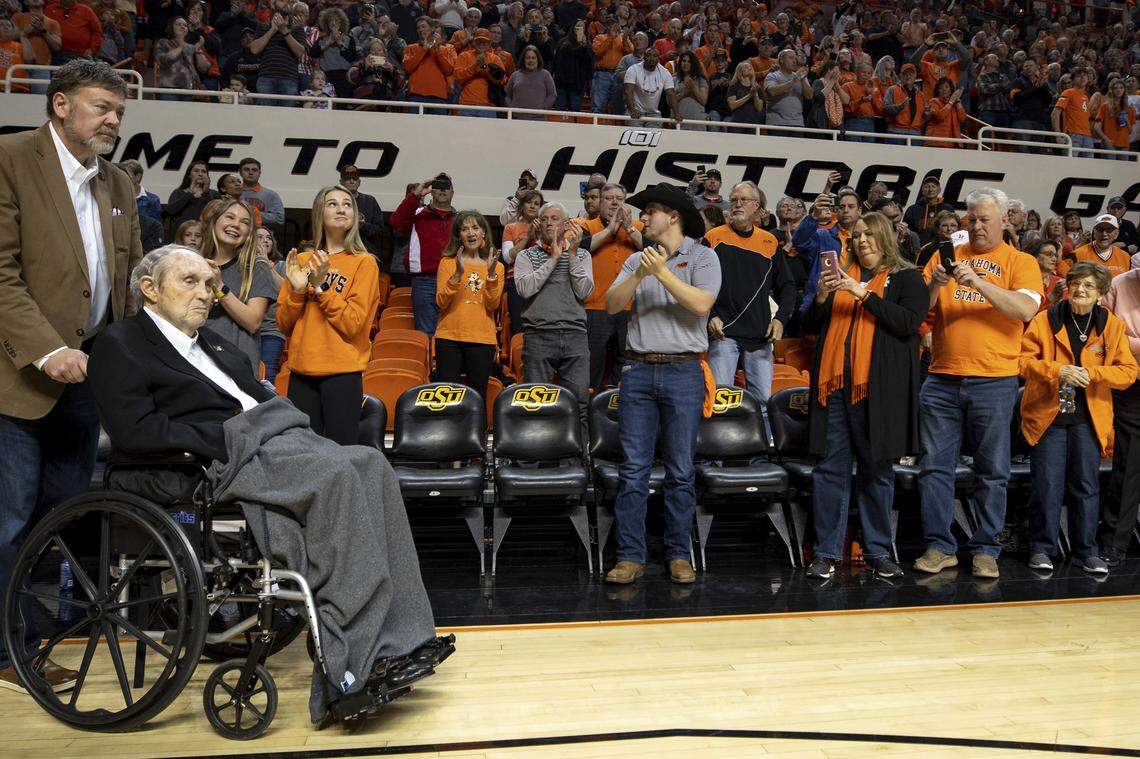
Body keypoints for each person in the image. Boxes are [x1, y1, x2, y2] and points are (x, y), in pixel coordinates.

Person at [87, 245, 450, 727]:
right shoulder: (121, 343)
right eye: (189, 282)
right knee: (338, 475)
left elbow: (262, 398)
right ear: (150, 290)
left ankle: (405, 638)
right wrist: (224, 438)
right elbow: (135, 431)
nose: (205, 294)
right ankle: (352, 668)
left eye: (208, 283)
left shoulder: (214, 344)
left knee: (371, 463)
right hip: (214, 457)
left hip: (274, 437)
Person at [0, 59, 141, 693]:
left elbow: (127, 283)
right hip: (18, 379)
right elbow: (1, 277)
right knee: (7, 522)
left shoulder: (118, 184)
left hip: (86, 383)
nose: (113, 119)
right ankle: (6, 656)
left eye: (118, 110)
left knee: (54, 522)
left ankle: (31, 643)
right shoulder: (9, 159)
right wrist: (46, 348)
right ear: (60, 105)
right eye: (100, 107)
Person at [916, 188, 1042, 580]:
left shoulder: (1020, 262)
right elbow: (915, 311)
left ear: (1005, 220)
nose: (977, 226)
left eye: (985, 219)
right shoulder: (944, 255)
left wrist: (978, 281)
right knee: (934, 468)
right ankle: (940, 545)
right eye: (972, 219)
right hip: (941, 376)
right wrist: (936, 284)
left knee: (992, 470)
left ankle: (986, 548)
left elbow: (1024, 309)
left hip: (994, 379)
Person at [602, 184, 721, 586]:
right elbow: (613, 305)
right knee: (633, 470)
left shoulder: (704, 257)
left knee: (681, 471)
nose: (644, 217)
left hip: (684, 373)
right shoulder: (637, 258)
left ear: (673, 216)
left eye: (650, 210)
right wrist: (640, 272)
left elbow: (701, 305)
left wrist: (662, 273)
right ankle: (630, 556)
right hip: (637, 371)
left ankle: (678, 554)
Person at [803, 212, 927, 580]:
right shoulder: (840, 276)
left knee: (877, 471)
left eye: (869, 234)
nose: (862, 240)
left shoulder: (907, 278)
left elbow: (907, 323)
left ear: (885, 237)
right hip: (836, 389)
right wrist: (824, 295)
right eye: (856, 234)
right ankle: (826, 552)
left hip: (878, 391)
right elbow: (809, 325)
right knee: (830, 471)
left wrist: (862, 293)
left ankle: (877, 552)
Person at [1020, 262, 1137, 575]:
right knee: (1047, 484)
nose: (1080, 290)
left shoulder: (1110, 324)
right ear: (1067, 287)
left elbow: (1128, 372)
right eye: (1075, 284)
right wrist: (1058, 370)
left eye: (1088, 286)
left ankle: (1086, 551)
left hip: (1089, 417)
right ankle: (1042, 548)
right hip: (1048, 415)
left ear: (1100, 294)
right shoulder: (1045, 318)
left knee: (1086, 485)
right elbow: (1022, 361)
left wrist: (1091, 373)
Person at [278, 186, 380, 443]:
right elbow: (284, 324)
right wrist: (298, 292)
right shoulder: (301, 260)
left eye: (347, 204)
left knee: (340, 454)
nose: (341, 208)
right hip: (301, 372)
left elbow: (353, 323)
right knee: (304, 456)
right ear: (318, 213)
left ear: (355, 216)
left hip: (342, 373)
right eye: (332, 203)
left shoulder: (364, 263)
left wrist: (322, 287)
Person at [704, 181, 794, 403]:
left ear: (756, 206)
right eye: (733, 200)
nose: (737, 204)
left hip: (760, 335)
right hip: (723, 333)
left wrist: (781, 319)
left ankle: (764, 440)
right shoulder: (714, 238)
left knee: (763, 402)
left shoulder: (769, 241)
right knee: (719, 401)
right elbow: (699, 282)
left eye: (743, 200)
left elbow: (788, 286)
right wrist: (711, 314)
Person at [514, 202, 593, 425]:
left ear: (567, 224)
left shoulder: (583, 255)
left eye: (555, 218)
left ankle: (577, 457)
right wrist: (553, 259)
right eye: (545, 218)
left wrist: (573, 255)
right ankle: (538, 458)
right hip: (538, 335)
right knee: (537, 404)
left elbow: (584, 290)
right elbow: (524, 289)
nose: (549, 222)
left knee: (579, 403)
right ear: (539, 224)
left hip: (575, 334)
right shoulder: (526, 256)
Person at [199, 197, 277, 372]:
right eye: (230, 217)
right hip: (196, 362)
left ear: (249, 233)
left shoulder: (256, 268)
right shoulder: (193, 264)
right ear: (214, 221)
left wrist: (219, 287)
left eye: (244, 222)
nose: (236, 225)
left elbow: (253, 322)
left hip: (236, 369)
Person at [578, 182, 643, 391]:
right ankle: (588, 412)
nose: (614, 202)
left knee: (626, 363)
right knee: (592, 363)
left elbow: (652, 248)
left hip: (630, 307)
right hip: (596, 307)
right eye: (609, 198)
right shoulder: (587, 225)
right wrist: (609, 230)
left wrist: (629, 228)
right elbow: (581, 248)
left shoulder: (638, 227)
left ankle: (616, 404)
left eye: (619, 199)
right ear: (599, 202)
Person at [433, 211, 503, 400]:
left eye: (475, 228)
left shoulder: (497, 267)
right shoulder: (447, 263)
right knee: (446, 397)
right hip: (448, 338)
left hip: (482, 339)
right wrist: (457, 275)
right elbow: (441, 302)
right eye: (464, 229)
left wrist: (490, 276)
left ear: (483, 234)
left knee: (477, 396)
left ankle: (476, 430)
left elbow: (492, 304)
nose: (470, 233)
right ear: (458, 236)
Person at [1102, 261, 1140, 566]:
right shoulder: (1120, 283)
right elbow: (1106, 333)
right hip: (1132, 382)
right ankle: (1115, 541)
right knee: (1128, 467)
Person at [389, 172, 457, 335]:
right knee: (426, 334)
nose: (442, 191)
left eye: (446, 187)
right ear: (431, 191)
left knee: (451, 332)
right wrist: (416, 194)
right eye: (438, 186)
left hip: (453, 280)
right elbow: (396, 223)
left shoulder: (460, 219)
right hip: (424, 281)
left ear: (452, 193)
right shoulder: (418, 213)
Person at [794, 187, 861, 312]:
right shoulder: (822, 236)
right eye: (842, 207)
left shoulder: (866, 240)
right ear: (836, 210)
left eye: (851, 206)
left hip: (852, 302)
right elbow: (799, 242)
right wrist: (814, 216)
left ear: (860, 210)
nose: (846, 210)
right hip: (820, 303)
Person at [249, 0, 307, 104]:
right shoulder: (263, 27)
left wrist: (284, 31)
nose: (287, 2)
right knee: (264, 116)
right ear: (272, 4)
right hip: (266, 78)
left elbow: (299, 52)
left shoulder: (297, 28)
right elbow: (254, 50)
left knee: (286, 117)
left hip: (288, 79)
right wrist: (272, 31)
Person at [255, 227, 287, 383]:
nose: (265, 240)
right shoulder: (243, 265)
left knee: (267, 377)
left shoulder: (281, 265)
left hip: (272, 330)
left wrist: (266, 264)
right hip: (247, 329)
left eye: (268, 237)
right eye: (259, 237)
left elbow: (284, 291)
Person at [11, 0, 62, 94]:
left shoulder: (52, 23)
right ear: (26, 2)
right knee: (15, 102)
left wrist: (43, 30)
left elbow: (57, 46)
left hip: (41, 67)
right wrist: (27, 30)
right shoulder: (17, 17)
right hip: (18, 66)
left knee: (40, 102)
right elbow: (9, 36)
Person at [623, 45, 679, 127]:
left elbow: (671, 94)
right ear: (644, 57)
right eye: (648, 55)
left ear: (658, 59)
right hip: (635, 111)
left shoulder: (665, 72)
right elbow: (628, 92)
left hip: (654, 114)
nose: (651, 58)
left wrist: (676, 113)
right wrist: (632, 110)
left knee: (654, 136)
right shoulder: (633, 69)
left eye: (655, 56)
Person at [403, 17, 456, 105]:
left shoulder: (444, 49)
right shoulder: (410, 48)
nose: (420, 30)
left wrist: (436, 50)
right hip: (416, 94)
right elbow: (408, 68)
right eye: (418, 28)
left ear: (432, 29)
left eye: (423, 26)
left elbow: (449, 71)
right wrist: (424, 49)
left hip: (439, 95)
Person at [1061, 214, 1130, 279]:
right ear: (1094, 232)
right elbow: (1066, 279)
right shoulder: (1077, 255)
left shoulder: (1125, 257)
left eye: (1109, 230)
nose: (1104, 234)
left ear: (1116, 234)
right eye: (1100, 230)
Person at [154, 16, 207, 98]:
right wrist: (181, 45)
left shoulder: (190, 47)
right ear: (171, 27)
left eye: (185, 25)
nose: (182, 27)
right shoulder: (163, 42)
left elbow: (204, 68)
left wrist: (198, 50)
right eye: (179, 24)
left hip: (188, 90)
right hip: (168, 89)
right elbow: (163, 61)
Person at [338, 165, 384, 257]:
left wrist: (363, 225)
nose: (352, 181)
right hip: (341, 252)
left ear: (359, 182)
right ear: (341, 182)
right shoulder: (335, 202)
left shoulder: (370, 201)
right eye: (348, 179)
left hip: (366, 253)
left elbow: (380, 230)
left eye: (355, 178)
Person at [763, 48, 811, 132]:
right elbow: (772, 92)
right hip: (777, 123)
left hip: (797, 123)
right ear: (781, 60)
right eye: (791, 58)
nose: (794, 61)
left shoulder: (801, 76)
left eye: (795, 58)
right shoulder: (773, 75)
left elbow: (809, 96)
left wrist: (803, 79)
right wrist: (793, 81)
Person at [552, 19, 593, 115]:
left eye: (582, 27)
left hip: (577, 85)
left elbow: (589, 63)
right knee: (559, 113)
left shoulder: (587, 45)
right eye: (578, 26)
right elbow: (556, 61)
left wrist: (584, 46)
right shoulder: (563, 42)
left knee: (575, 114)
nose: (580, 28)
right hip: (561, 83)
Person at [1052, 68, 1094, 158]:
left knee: (1088, 168)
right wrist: (1058, 135)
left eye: (1084, 75)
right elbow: (1055, 114)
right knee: (1069, 167)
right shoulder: (1068, 92)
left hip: (1088, 136)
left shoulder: (1086, 97)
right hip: (1073, 135)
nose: (1082, 78)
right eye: (1079, 76)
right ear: (1073, 80)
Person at [167, 160, 220, 230]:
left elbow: (216, 214)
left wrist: (206, 193)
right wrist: (189, 194)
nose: (200, 174)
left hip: (206, 231)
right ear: (189, 175)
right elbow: (171, 211)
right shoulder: (178, 192)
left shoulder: (214, 194)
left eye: (204, 172)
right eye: (196, 171)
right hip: (182, 231)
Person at [903, 174, 955, 245]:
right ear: (922, 191)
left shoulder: (947, 208)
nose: (930, 189)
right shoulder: (912, 209)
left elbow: (954, 229)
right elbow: (906, 231)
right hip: (918, 250)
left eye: (933, 186)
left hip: (941, 248)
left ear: (939, 190)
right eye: (927, 187)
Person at [505, 43, 555, 116]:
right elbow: (507, 95)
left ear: (538, 59)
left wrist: (543, 109)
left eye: (533, 58)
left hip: (539, 120)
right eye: (527, 58)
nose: (530, 60)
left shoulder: (545, 75)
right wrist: (512, 109)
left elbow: (552, 95)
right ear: (523, 59)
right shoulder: (515, 75)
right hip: (517, 119)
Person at [1093, 77, 1137, 161]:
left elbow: (1130, 131)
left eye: (1121, 88)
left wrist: (1127, 120)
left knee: (1122, 170)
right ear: (1111, 90)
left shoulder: (1129, 108)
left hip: (1124, 144)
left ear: (1124, 90)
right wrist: (1105, 139)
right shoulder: (1105, 106)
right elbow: (1096, 127)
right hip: (1109, 143)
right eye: (1115, 88)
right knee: (1109, 171)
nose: (1118, 90)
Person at [881, 62, 923, 144]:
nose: (908, 76)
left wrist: (927, 114)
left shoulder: (921, 94)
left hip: (915, 135)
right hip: (895, 134)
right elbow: (885, 109)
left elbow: (923, 117)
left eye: (911, 74)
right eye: (905, 74)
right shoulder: (892, 90)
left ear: (915, 76)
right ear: (900, 76)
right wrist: (900, 106)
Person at [839, 61, 881, 142]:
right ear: (856, 72)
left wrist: (871, 93)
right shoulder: (847, 86)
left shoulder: (874, 88)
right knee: (853, 151)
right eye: (864, 72)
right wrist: (860, 101)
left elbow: (878, 109)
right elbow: (847, 109)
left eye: (869, 73)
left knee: (868, 152)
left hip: (870, 123)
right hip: (853, 122)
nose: (866, 75)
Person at [239, 157, 285, 227]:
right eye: (246, 170)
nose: (250, 172)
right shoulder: (234, 193)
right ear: (240, 172)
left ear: (259, 173)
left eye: (254, 170)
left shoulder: (271, 195)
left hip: (261, 236)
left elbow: (279, 219)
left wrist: (253, 213)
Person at [923, 77, 966, 149]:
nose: (944, 90)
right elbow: (939, 116)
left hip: (953, 144)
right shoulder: (933, 101)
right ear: (937, 91)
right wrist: (950, 102)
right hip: (936, 143)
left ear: (951, 90)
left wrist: (958, 101)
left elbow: (962, 118)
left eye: (946, 87)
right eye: (941, 88)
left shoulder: (954, 104)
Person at [1027, 238, 1065, 311]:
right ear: (1034, 256)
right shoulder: (1025, 282)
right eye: (1049, 254)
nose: (1054, 259)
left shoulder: (1059, 282)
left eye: (1055, 255)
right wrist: (1052, 296)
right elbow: (1028, 312)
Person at [726, 60, 763, 127]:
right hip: (737, 122)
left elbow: (759, 108)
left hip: (753, 123)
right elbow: (732, 105)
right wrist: (749, 95)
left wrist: (755, 94)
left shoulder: (757, 87)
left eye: (750, 67)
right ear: (740, 71)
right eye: (746, 67)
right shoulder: (734, 86)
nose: (749, 68)